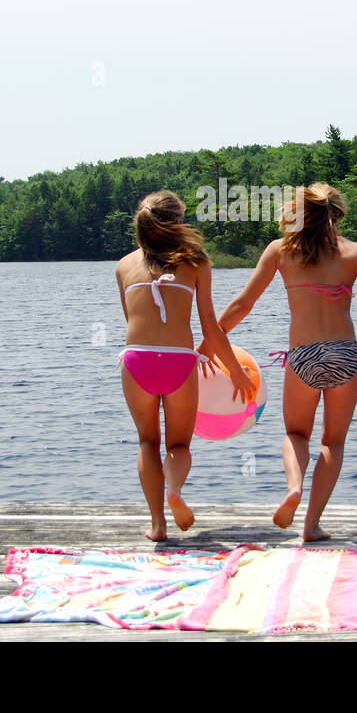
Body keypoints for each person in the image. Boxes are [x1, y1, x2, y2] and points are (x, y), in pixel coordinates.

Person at [199, 183, 357, 541]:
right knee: (332, 443)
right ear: (338, 214)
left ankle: (294, 487)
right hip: (346, 355)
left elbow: (244, 303)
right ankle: (311, 525)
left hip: (302, 356)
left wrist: (210, 340)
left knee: (295, 433)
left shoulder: (280, 250)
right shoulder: (355, 251)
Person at [116, 190, 254, 542]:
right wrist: (235, 371)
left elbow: (131, 319)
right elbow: (211, 326)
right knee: (179, 446)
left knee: (148, 441)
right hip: (179, 361)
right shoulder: (196, 263)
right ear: (177, 222)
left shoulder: (123, 266)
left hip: (137, 359)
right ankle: (175, 489)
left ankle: (158, 525)